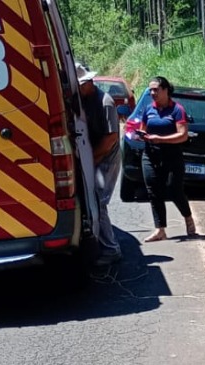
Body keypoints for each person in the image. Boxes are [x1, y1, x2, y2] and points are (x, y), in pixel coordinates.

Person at [76, 62, 123, 265]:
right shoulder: (83, 100)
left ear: (88, 82)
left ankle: (111, 249)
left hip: (107, 158)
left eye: (79, 85)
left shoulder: (105, 102)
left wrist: (92, 159)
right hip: (94, 155)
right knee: (92, 200)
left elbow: (111, 138)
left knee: (100, 202)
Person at [140, 76, 196, 242]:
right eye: (150, 90)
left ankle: (188, 218)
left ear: (165, 90)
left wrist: (161, 139)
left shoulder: (177, 110)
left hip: (172, 156)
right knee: (153, 191)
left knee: (174, 190)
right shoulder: (148, 109)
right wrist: (142, 136)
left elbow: (183, 135)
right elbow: (143, 129)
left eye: (156, 89)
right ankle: (160, 230)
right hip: (150, 155)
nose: (152, 93)